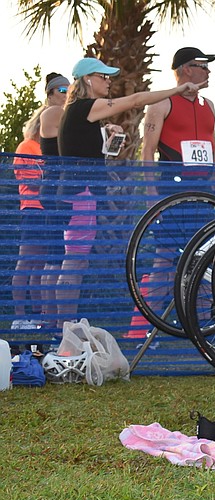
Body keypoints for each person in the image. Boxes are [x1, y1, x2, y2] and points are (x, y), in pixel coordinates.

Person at [57, 57, 206, 325]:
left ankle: (62, 326)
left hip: (80, 193)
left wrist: (107, 136)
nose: (108, 81)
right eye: (103, 76)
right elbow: (136, 100)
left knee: (74, 261)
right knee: (73, 262)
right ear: (88, 79)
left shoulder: (82, 111)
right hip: (80, 195)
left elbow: (87, 149)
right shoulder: (85, 106)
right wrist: (177, 90)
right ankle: (63, 328)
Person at [141, 46, 215, 164]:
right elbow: (148, 150)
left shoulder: (209, 105)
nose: (209, 71)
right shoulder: (161, 104)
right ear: (187, 69)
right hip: (172, 180)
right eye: (204, 67)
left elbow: (213, 148)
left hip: (204, 181)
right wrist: (150, 183)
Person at [38, 72, 71, 326]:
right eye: (61, 90)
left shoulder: (57, 114)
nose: (66, 93)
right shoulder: (54, 113)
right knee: (56, 259)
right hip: (56, 190)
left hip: (56, 189)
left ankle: (50, 320)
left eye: (68, 89)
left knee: (54, 258)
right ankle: (54, 321)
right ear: (49, 94)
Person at [11, 106, 47, 328]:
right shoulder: (26, 146)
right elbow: (31, 181)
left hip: (47, 210)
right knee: (25, 262)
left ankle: (36, 315)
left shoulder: (45, 147)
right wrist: (49, 180)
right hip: (32, 209)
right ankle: (18, 316)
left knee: (40, 265)